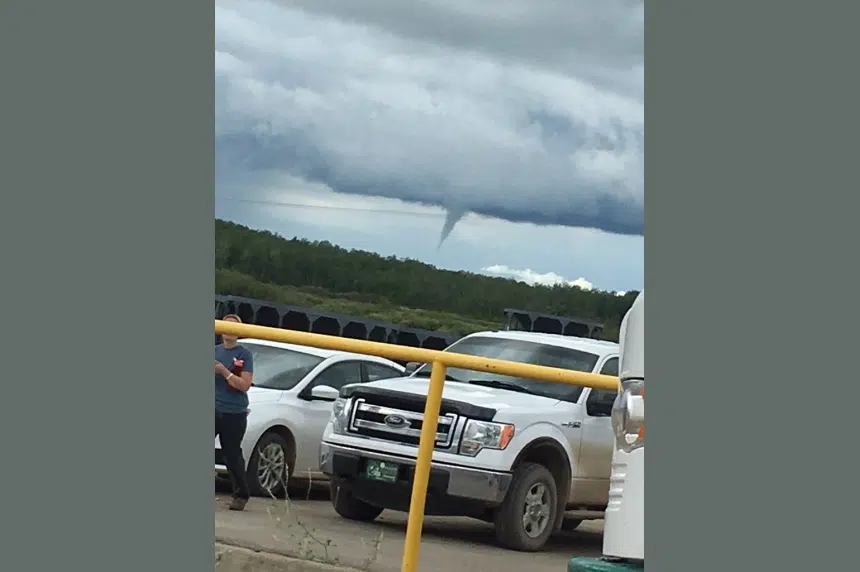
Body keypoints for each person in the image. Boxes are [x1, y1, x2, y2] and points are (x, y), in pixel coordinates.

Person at [215, 314, 255, 511]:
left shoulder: (244, 355)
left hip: (234, 412)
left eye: (234, 327)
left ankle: (241, 494)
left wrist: (224, 372)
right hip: (213, 407)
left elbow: (244, 385)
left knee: (231, 454)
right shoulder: (214, 351)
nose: (229, 331)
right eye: (225, 326)